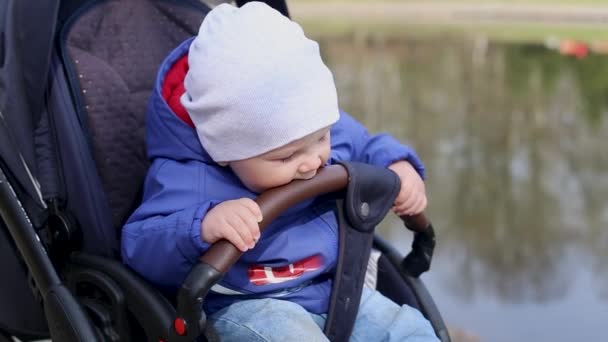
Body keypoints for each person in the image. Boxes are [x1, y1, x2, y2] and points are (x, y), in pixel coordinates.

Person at [122, 2, 437, 341]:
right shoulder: (188, 177)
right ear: (225, 152)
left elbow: (366, 143)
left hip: (336, 289)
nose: (312, 160)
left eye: (321, 138)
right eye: (286, 157)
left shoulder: (312, 128)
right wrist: (203, 225)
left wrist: (398, 165)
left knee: (410, 330)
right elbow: (141, 245)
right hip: (252, 307)